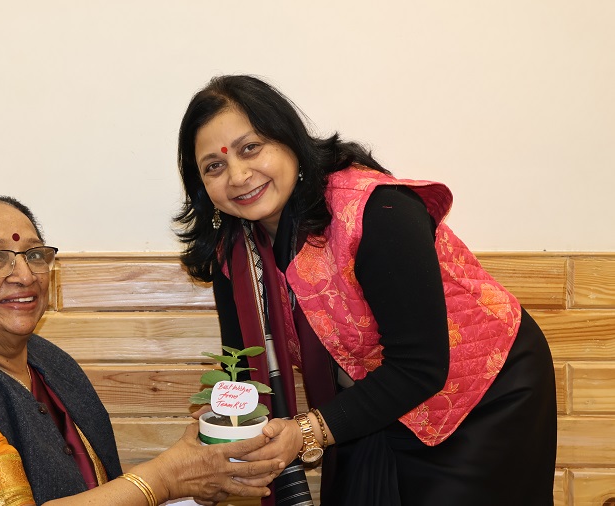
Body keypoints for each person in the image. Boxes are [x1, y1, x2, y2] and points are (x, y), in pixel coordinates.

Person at [174, 75, 557, 506]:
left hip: (484, 393)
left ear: (290, 143)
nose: (238, 175)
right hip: (375, 397)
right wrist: (223, 430)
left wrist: (304, 432)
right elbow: (242, 368)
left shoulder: (377, 210)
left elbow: (420, 366)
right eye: (214, 166)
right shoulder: (234, 253)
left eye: (250, 148)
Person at [0, 194, 285, 505]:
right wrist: (164, 478)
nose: (24, 274)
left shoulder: (46, 362)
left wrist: (196, 477)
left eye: (35, 255)